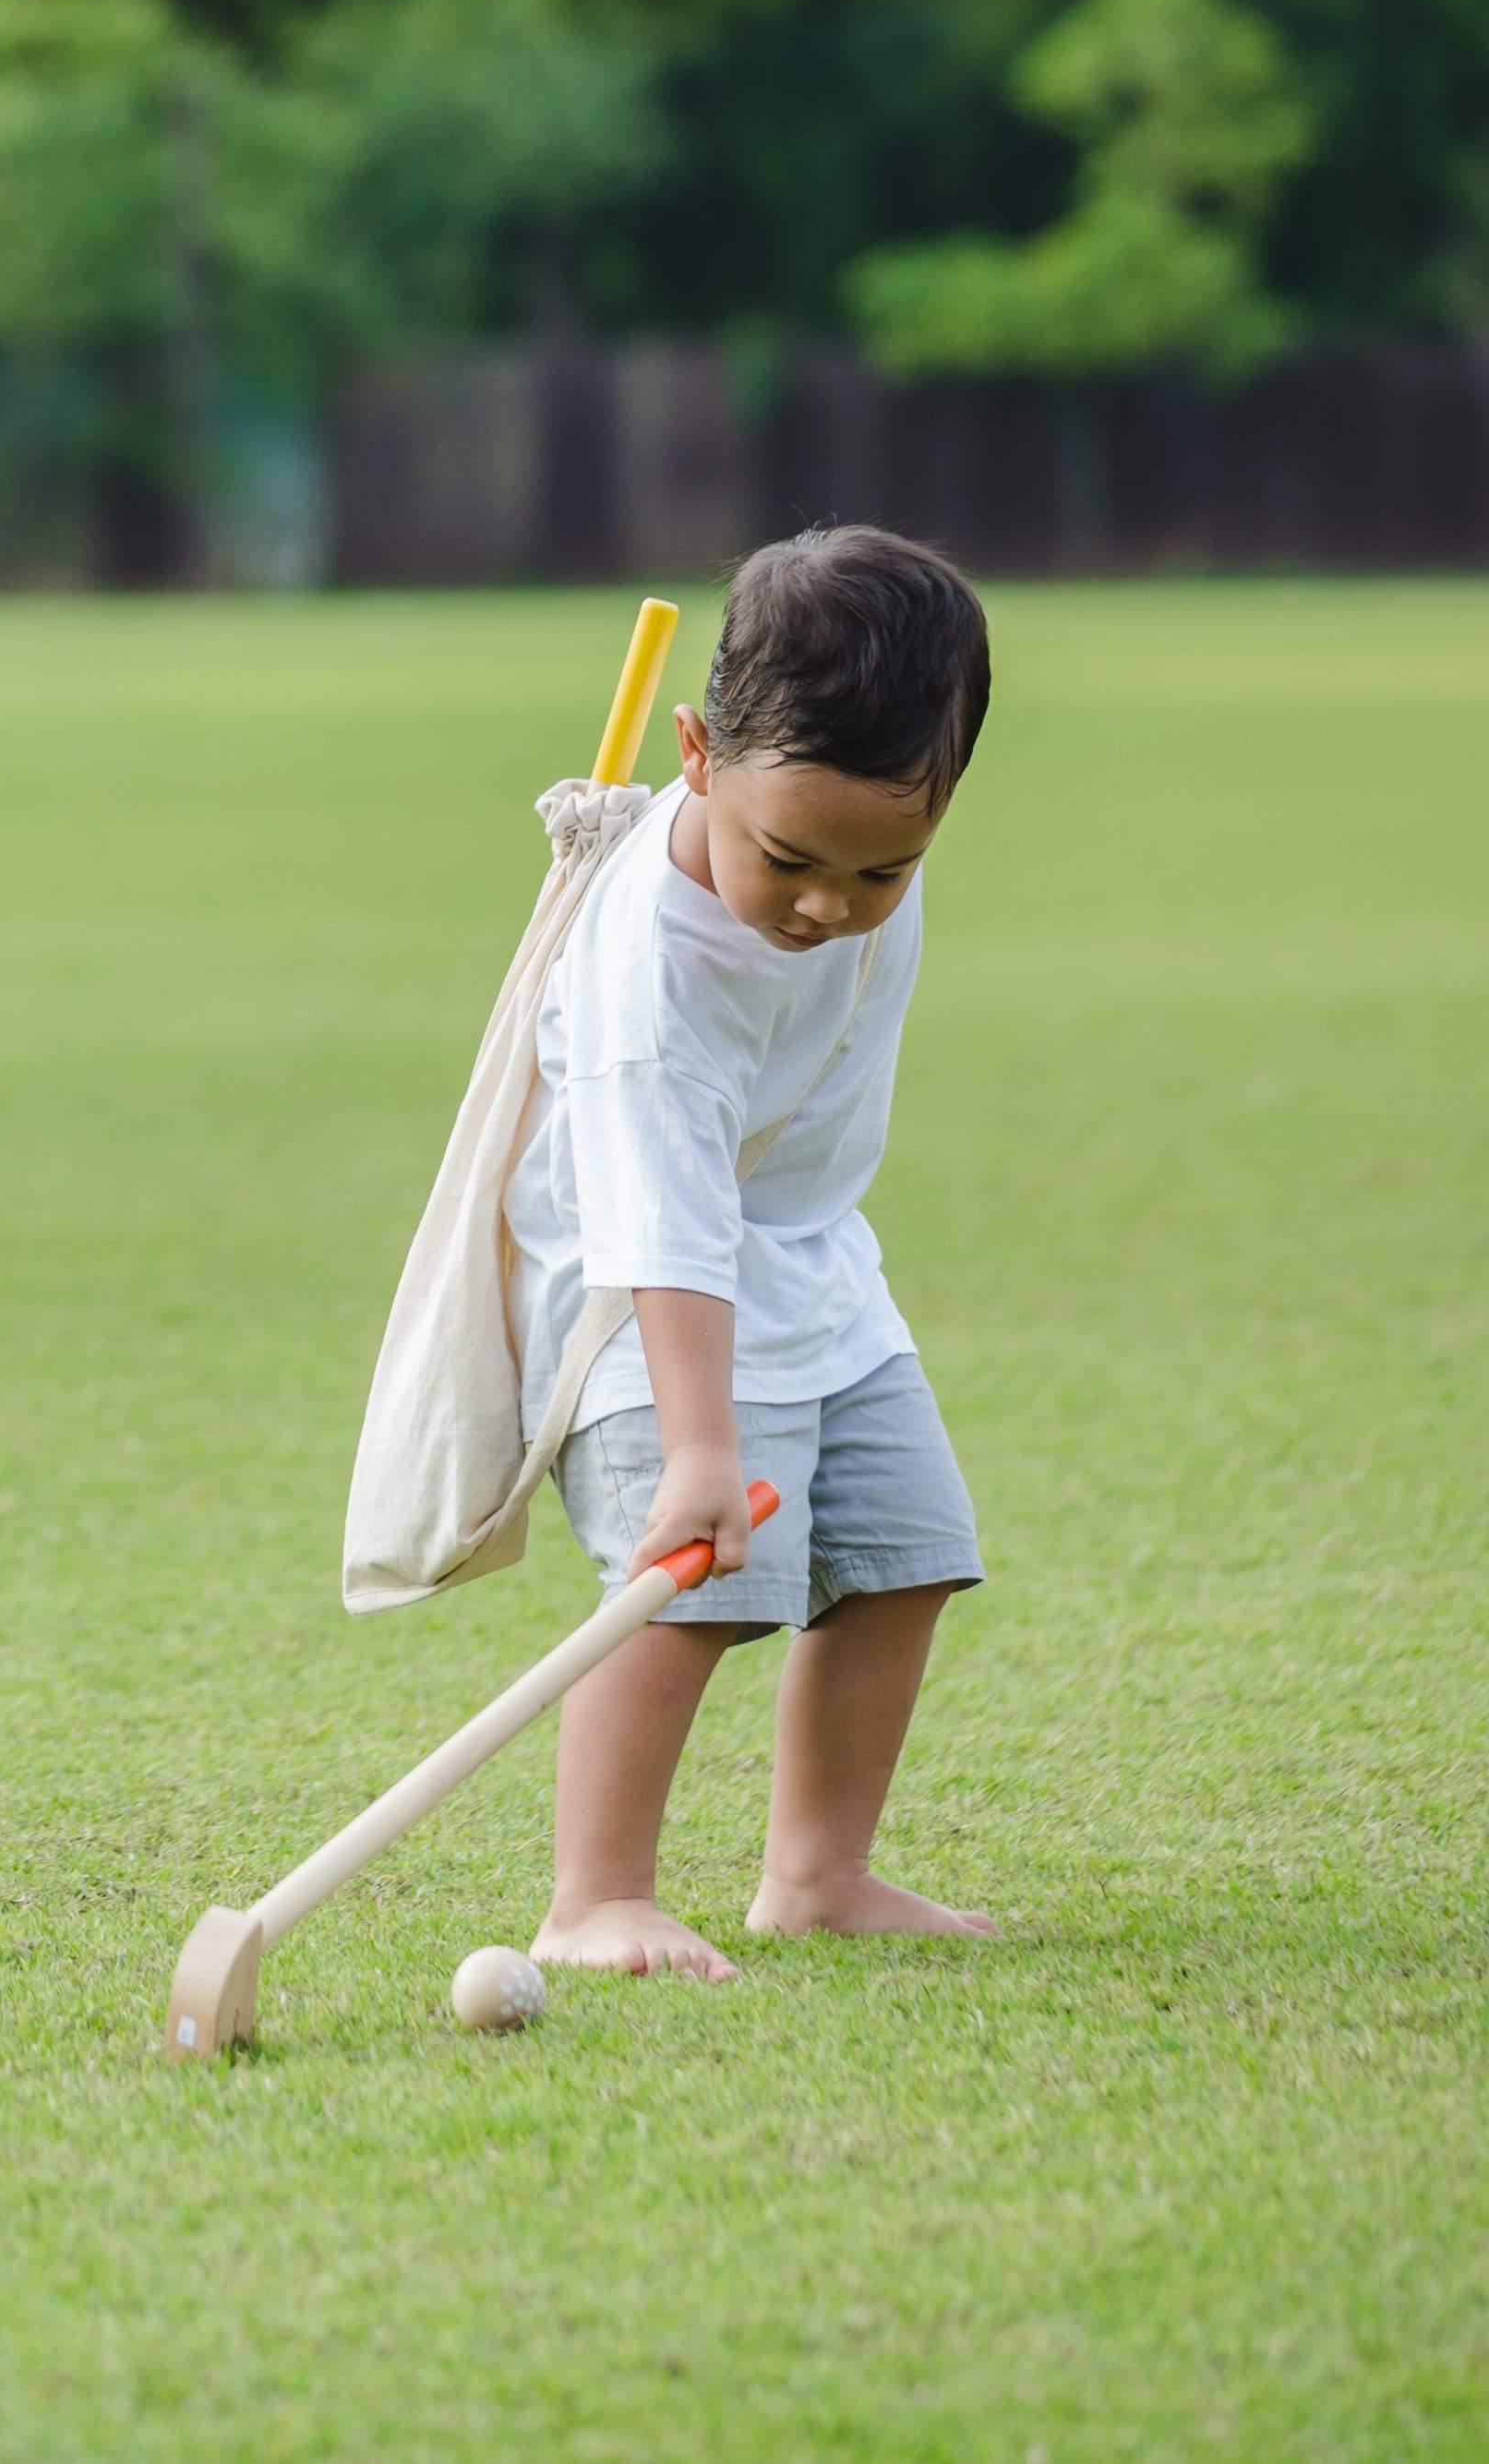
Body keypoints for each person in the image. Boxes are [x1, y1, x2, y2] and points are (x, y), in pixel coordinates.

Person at [503, 524, 997, 1981]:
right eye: (788, 858)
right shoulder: (651, 969)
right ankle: (593, 1894)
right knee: (696, 1582)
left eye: (883, 869)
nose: (826, 906)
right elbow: (656, 1213)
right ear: (697, 752)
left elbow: (834, 882)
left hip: (809, 1261)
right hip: (641, 1289)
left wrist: (840, 861)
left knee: (904, 1555)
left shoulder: (839, 838)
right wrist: (697, 1446)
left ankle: (818, 1870)